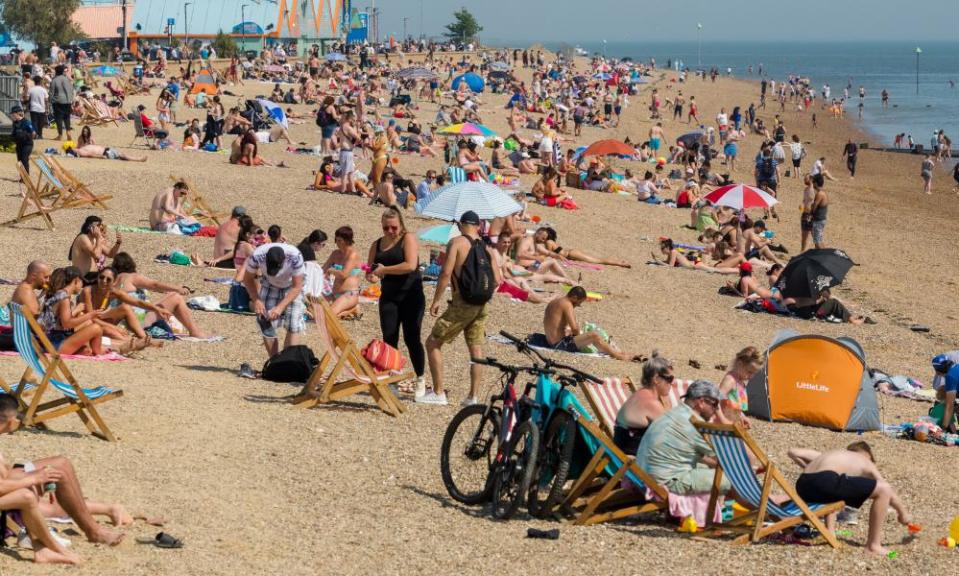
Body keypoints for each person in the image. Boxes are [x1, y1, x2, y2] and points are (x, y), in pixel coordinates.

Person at [425, 211, 501, 406]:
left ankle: (439, 392)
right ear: (478, 226)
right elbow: (498, 280)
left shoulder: (457, 243)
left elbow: (445, 273)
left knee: (433, 343)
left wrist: (436, 300)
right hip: (482, 305)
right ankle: (473, 398)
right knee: (476, 349)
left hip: (462, 303)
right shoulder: (488, 248)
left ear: (460, 225)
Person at [787, 442, 912, 555]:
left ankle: (830, 532)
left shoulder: (832, 455)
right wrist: (903, 513)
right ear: (868, 455)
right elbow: (888, 489)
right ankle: (873, 546)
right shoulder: (865, 461)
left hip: (802, 485)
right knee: (883, 489)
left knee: (836, 487)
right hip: (825, 482)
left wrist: (815, 478)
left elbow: (792, 451)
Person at [635, 380, 738, 497]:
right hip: (665, 483)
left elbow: (701, 456)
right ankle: (759, 512)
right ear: (701, 402)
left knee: (709, 467)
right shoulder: (696, 424)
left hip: (645, 477)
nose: (716, 410)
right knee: (733, 480)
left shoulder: (675, 413)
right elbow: (724, 458)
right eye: (714, 404)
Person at [367, 207, 426, 395]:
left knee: (412, 338)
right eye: (386, 228)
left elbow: (410, 265)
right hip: (389, 297)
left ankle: (420, 378)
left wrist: (384, 270)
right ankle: (391, 379)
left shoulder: (407, 238)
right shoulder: (376, 244)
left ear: (400, 225)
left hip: (411, 296)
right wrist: (373, 276)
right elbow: (370, 270)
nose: (390, 231)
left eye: (393, 227)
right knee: (389, 337)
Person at [528, 286, 641, 361]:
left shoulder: (554, 302)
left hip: (549, 341)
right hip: (559, 345)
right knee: (594, 335)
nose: (578, 305)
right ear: (574, 297)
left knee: (589, 336)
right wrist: (577, 335)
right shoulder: (567, 304)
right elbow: (575, 329)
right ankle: (618, 355)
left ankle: (619, 353)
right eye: (579, 303)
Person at [112, 252, 209, 338]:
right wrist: (178, 289)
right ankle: (195, 331)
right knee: (176, 297)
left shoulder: (114, 281)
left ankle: (194, 331)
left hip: (124, 322)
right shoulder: (131, 277)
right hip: (138, 322)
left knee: (171, 295)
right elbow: (155, 284)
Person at [243, 240, 306, 358]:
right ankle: (275, 362)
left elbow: (297, 287)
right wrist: (256, 299)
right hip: (269, 283)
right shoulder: (257, 255)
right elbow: (247, 279)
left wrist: (279, 308)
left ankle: (288, 361)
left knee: (293, 323)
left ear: (284, 261)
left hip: (291, 285)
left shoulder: (295, 256)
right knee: (264, 319)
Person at [614, 355, 675, 454]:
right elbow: (673, 433)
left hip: (619, 454)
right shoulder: (651, 403)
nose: (671, 383)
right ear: (656, 379)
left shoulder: (640, 394)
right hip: (630, 463)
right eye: (669, 379)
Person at [38, 266, 105, 355]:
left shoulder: (59, 293)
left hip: (48, 340)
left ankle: (89, 350)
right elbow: (67, 323)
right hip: (54, 344)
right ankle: (99, 353)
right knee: (97, 328)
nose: (82, 287)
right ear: (76, 280)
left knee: (86, 345)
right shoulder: (64, 297)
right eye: (82, 282)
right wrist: (89, 315)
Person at [322, 226, 362, 317]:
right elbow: (323, 269)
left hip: (349, 294)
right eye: (336, 240)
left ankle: (351, 310)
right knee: (314, 306)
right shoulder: (335, 254)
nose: (337, 243)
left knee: (329, 316)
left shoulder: (353, 255)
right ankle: (347, 310)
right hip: (334, 294)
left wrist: (331, 270)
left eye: (340, 240)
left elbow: (344, 274)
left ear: (347, 240)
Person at [717, 346, 761, 427]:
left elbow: (735, 407)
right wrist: (722, 419)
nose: (751, 376)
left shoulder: (740, 383)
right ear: (740, 364)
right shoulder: (730, 380)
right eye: (749, 372)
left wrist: (743, 417)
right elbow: (715, 400)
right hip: (724, 426)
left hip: (733, 426)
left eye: (754, 373)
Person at [930, 354, 959, 432]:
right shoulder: (956, 367)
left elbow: (949, 406)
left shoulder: (950, 377)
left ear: (938, 371)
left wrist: (943, 428)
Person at [49, 65, 74, 141]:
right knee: (67, 118)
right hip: (68, 101)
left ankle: (60, 135)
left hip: (58, 101)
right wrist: (70, 100)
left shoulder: (54, 80)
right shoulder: (67, 79)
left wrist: (50, 101)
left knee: (58, 118)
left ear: (56, 71)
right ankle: (68, 132)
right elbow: (71, 90)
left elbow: (51, 93)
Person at [10, 105, 34, 175]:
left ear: (17, 113)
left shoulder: (26, 122)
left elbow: (33, 133)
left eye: (13, 114)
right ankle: (22, 177)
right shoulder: (15, 123)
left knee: (24, 159)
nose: (12, 116)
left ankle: (26, 177)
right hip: (19, 144)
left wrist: (26, 137)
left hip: (27, 144)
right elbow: (13, 133)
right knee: (19, 160)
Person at [26, 75, 47, 139]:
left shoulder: (31, 89)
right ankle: (40, 135)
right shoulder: (43, 90)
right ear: (40, 81)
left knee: (34, 122)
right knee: (41, 123)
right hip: (42, 108)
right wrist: (47, 108)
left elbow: (27, 99)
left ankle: (35, 134)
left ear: (34, 82)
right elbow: (46, 100)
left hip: (33, 108)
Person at [810, 180, 829, 249]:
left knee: (817, 242)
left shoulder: (819, 194)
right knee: (819, 240)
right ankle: (822, 256)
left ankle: (823, 258)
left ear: (816, 183)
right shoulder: (823, 193)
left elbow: (814, 206)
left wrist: (810, 215)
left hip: (818, 220)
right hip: (821, 219)